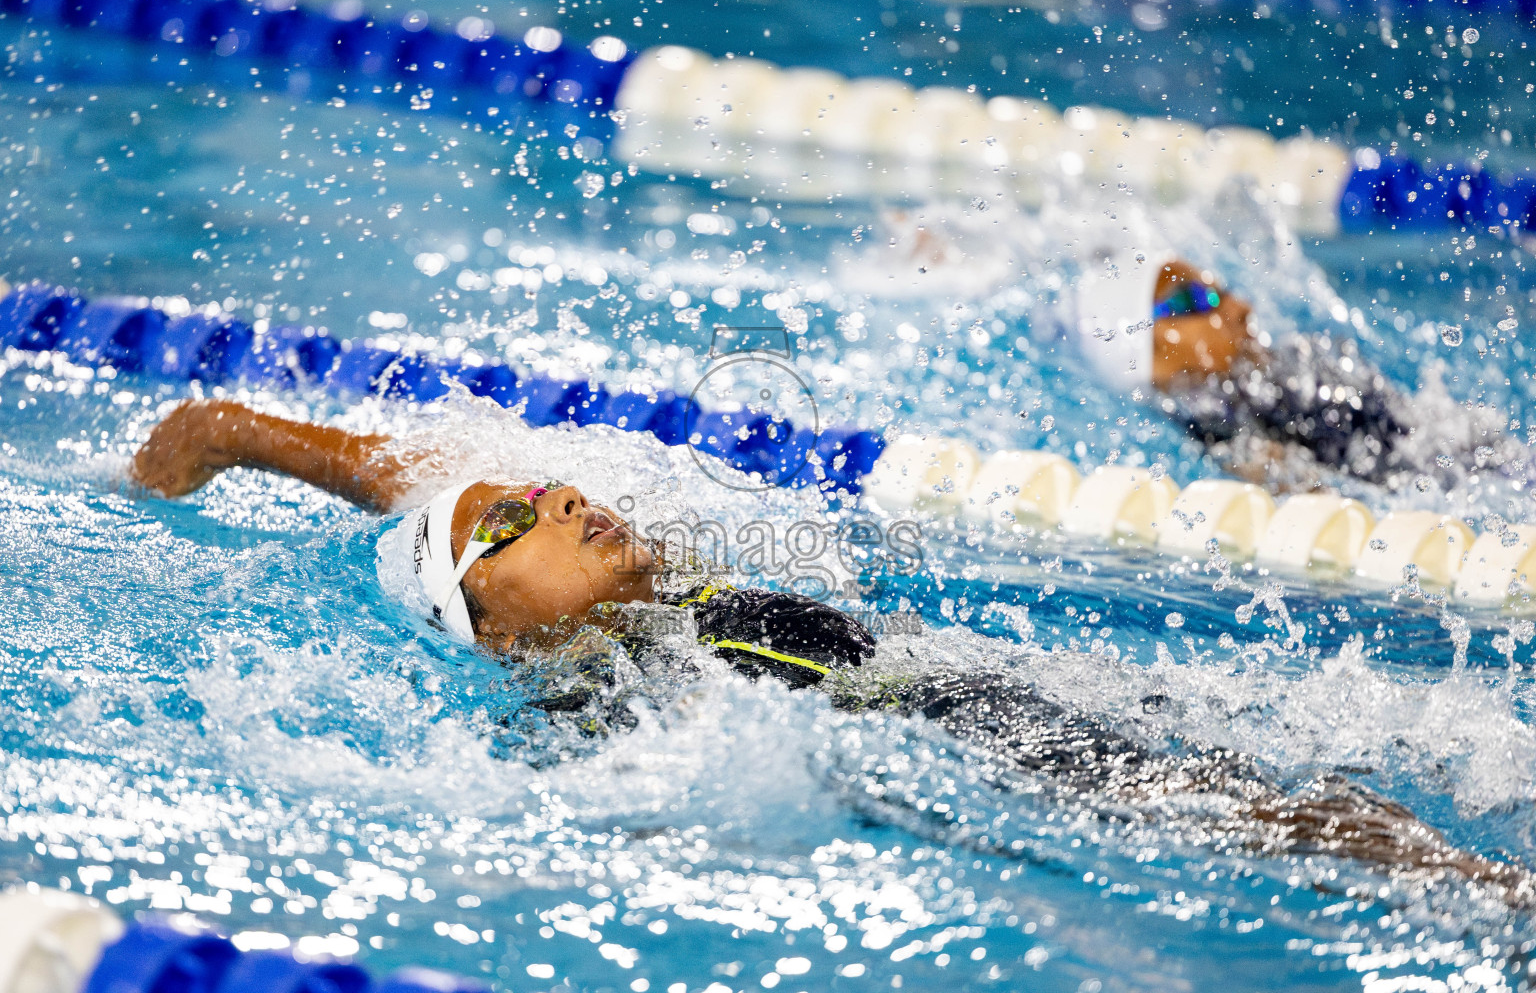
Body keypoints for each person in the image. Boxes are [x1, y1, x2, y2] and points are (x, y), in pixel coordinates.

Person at [129, 398, 1532, 904]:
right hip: (1008, 764)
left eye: (541, 487)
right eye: (514, 521)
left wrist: (236, 434)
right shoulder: (607, 716)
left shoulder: (680, 600)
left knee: (1362, 768)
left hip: (1021, 704)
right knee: (1331, 821)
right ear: (492, 634)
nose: (554, 492)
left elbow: (408, 478)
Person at [1074, 252, 1507, 493]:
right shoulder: (1214, 427)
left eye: (1219, 289)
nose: (1242, 307)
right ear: (1144, 345)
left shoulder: (1272, 374)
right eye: (1195, 300)